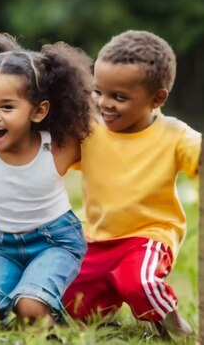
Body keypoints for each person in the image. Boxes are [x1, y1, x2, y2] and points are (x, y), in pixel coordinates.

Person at [0, 30, 94, 333]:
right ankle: (18, 298)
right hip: (6, 248)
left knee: (31, 308)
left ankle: (45, 319)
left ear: (38, 111)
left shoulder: (59, 147)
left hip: (57, 243)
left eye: (6, 107)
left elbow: (110, 149)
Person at [61, 30, 201, 339]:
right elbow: (55, 163)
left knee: (138, 282)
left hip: (148, 237)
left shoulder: (175, 135)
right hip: (97, 240)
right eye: (98, 92)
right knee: (66, 301)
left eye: (119, 97)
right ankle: (110, 301)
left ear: (157, 98)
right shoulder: (90, 131)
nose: (104, 104)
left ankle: (175, 325)